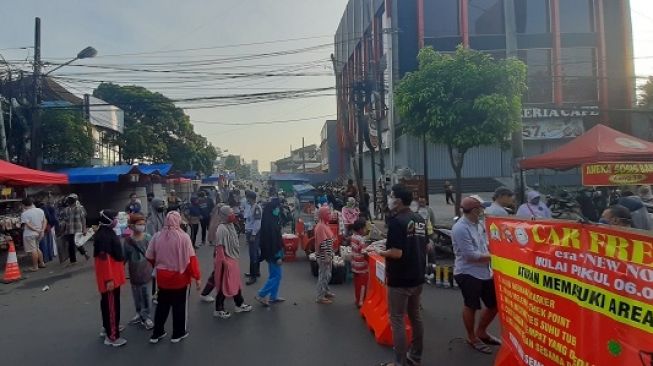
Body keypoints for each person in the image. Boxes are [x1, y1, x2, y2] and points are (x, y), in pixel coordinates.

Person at [377, 184, 428, 366]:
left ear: (397, 200)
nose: (389, 199)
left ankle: (399, 362)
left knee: (397, 319)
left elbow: (397, 253)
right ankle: (415, 356)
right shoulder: (419, 218)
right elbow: (426, 245)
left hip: (400, 278)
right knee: (415, 316)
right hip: (418, 275)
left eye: (391, 196)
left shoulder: (397, 222)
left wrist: (379, 251)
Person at [452, 197, 500, 355]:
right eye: (480, 208)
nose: (482, 211)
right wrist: (497, 256)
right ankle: (472, 337)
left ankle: (481, 332)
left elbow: (486, 243)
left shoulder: (479, 224)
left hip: (485, 271)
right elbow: (470, 255)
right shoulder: (460, 228)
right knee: (471, 305)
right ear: (474, 210)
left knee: (494, 305)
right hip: (468, 272)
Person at [146, 211, 201, 344]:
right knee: (179, 305)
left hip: (163, 277)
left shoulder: (157, 236)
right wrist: (197, 277)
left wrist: (159, 266)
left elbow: (149, 256)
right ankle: (178, 333)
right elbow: (191, 260)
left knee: (162, 305)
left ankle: (157, 333)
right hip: (180, 277)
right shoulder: (184, 237)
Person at [93, 209, 127, 347]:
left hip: (112, 276)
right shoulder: (104, 237)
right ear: (108, 219)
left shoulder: (106, 232)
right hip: (110, 278)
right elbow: (104, 260)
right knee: (111, 306)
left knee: (108, 304)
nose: (116, 220)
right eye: (114, 218)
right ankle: (112, 336)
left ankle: (108, 327)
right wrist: (109, 279)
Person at [212, 206, 253, 318]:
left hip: (232, 258)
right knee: (224, 285)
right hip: (225, 260)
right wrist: (224, 261)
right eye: (229, 213)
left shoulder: (230, 225)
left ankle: (239, 304)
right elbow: (219, 247)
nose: (232, 215)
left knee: (235, 282)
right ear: (224, 216)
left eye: (232, 213)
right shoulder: (221, 228)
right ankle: (218, 309)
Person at [123, 213, 154, 330]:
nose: (142, 226)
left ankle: (146, 317)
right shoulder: (127, 241)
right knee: (136, 295)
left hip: (146, 271)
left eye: (143, 224)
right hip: (134, 272)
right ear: (132, 226)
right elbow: (124, 257)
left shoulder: (148, 238)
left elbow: (154, 254)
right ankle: (139, 313)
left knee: (146, 294)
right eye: (139, 224)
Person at [255, 198, 285, 306]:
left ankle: (274, 296)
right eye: (277, 207)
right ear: (273, 208)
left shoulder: (270, 219)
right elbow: (273, 242)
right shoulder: (270, 224)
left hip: (271, 253)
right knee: (277, 276)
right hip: (274, 253)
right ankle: (261, 294)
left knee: (274, 275)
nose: (278, 209)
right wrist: (277, 257)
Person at [314, 205, 336, 304]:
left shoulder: (324, 225)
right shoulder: (320, 226)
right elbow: (322, 243)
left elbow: (328, 239)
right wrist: (327, 256)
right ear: (323, 215)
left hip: (328, 254)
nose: (330, 215)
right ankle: (320, 296)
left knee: (327, 274)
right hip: (324, 256)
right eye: (328, 213)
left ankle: (326, 291)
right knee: (323, 275)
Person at [61, 194, 90, 264]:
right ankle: (74, 260)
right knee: (72, 244)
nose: (70, 201)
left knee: (77, 243)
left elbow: (83, 219)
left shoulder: (80, 208)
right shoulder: (65, 210)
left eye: (71, 200)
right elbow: (64, 221)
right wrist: (62, 230)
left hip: (77, 229)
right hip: (69, 230)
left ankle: (82, 254)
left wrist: (84, 229)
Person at [20, 197, 47, 272]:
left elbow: (28, 225)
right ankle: (42, 263)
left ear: (23, 205)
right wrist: (42, 230)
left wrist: (36, 230)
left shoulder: (24, 214)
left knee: (33, 250)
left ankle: (35, 267)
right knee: (37, 248)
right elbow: (45, 220)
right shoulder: (40, 210)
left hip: (30, 234)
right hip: (39, 233)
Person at [244, 191, 263, 285]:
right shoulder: (251, 207)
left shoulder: (256, 207)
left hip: (253, 233)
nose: (246, 199)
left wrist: (253, 234)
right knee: (255, 253)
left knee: (253, 255)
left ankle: (253, 276)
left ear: (251, 198)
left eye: (247, 197)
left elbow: (257, 222)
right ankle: (256, 272)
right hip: (250, 232)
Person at [350, 219, 369, 308]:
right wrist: (370, 249)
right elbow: (364, 251)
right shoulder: (360, 239)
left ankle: (357, 299)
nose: (366, 230)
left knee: (356, 283)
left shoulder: (353, 236)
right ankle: (361, 302)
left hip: (354, 264)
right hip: (361, 266)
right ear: (361, 229)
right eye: (365, 228)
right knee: (363, 285)